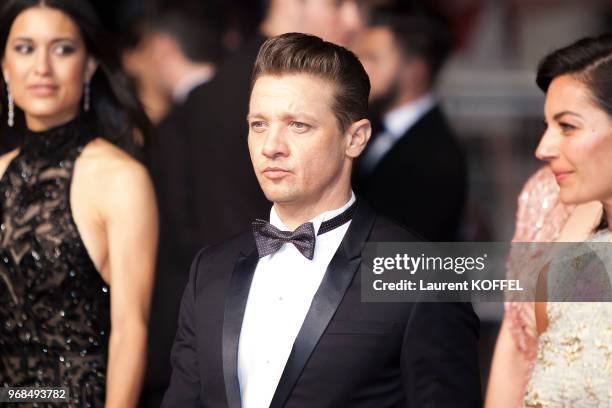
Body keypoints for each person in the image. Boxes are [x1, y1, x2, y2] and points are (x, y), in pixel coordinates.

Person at [162, 32, 481, 408]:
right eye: (259, 124)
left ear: (355, 138)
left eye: (298, 125)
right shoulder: (210, 271)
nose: (271, 146)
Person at [0, 1, 157, 406]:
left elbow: (130, 329)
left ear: (88, 67)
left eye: (62, 49)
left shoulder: (121, 179)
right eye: (24, 48)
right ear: (4, 67)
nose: (41, 67)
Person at [486, 34, 612, 407]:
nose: (543, 148)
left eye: (568, 127)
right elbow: (515, 340)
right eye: (546, 125)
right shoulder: (545, 195)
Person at [352, 11, 467, 241]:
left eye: (373, 58)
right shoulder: (370, 125)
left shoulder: (437, 157)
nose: (361, 69)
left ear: (414, 70)